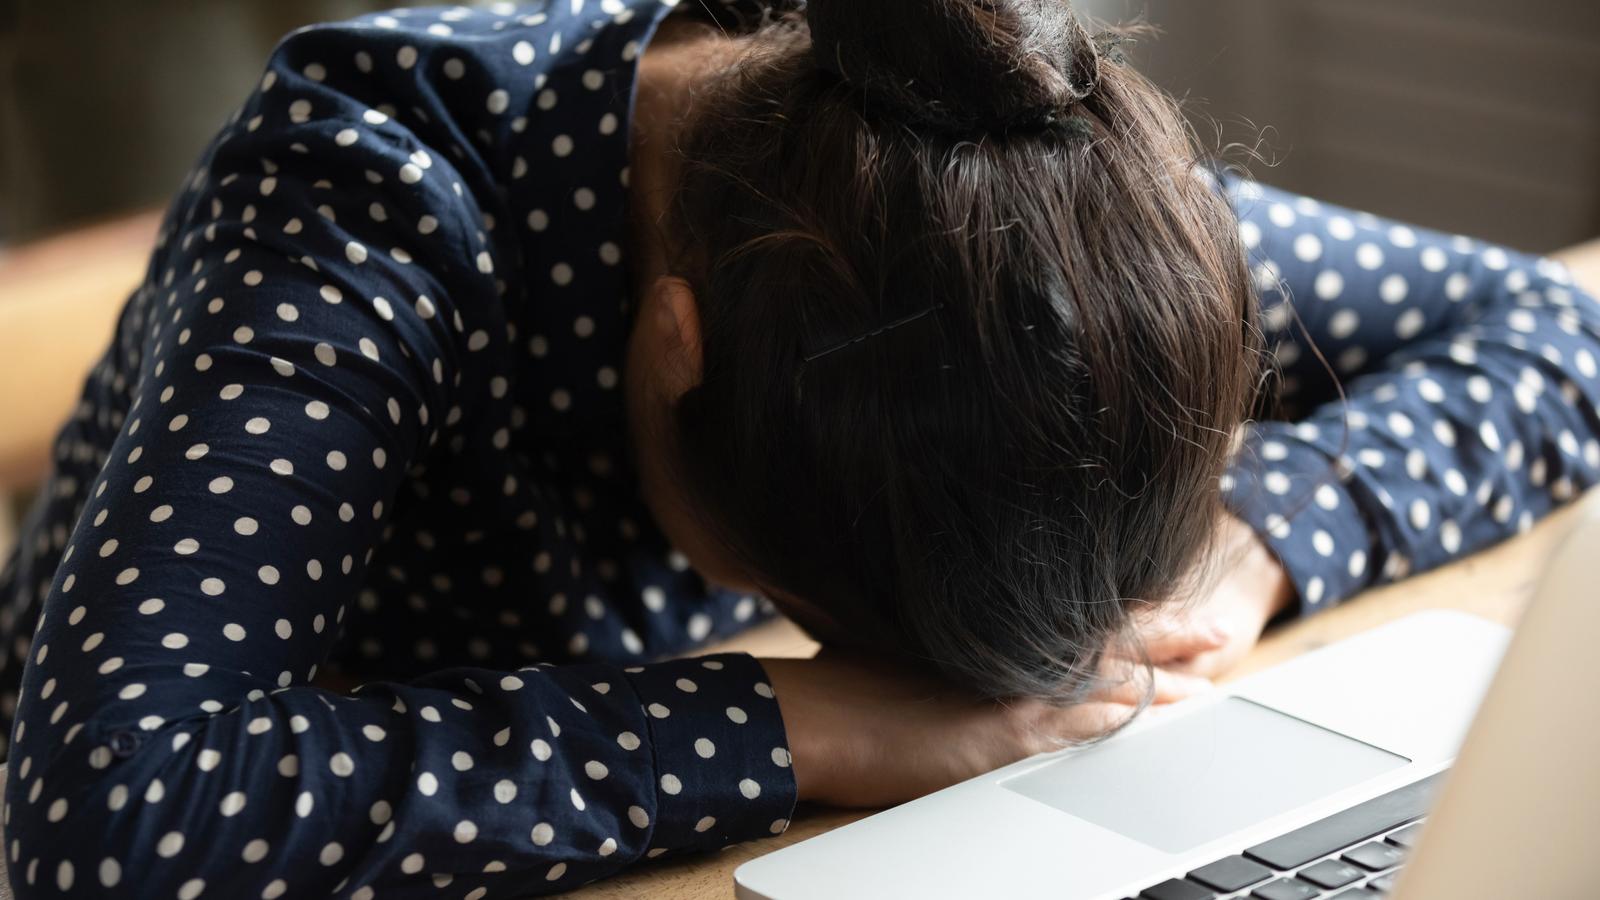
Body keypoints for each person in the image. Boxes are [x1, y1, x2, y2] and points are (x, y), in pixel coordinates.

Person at [1, 0, 1597, 896]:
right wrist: (794, 723)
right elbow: (112, 811)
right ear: (675, 347)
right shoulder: (370, 200)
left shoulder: (1001, 184)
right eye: (797, 589)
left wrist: (1248, 546)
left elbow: (1557, 330)